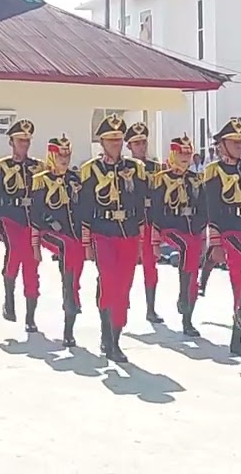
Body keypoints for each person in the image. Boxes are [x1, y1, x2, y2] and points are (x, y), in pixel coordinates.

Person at [74, 114, 142, 363]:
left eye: (118, 139)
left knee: (124, 288)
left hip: (129, 233)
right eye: (111, 140)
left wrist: (145, 238)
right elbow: (84, 209)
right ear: (101, 142)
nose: (115, 144)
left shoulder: (135, 168)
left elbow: (142, 204)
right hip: (103, 232)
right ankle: (108, 339)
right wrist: (86, 244)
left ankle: (116, 335)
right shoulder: (91, 169)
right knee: (109, 281)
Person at [199, 118, 241, 358]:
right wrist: (215, 242)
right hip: (229, 230)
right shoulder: (213, 170)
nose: (240, 145)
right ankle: (238, 332)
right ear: (222, 145)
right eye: (234, 141)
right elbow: (211, 208)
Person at [150, 134, 207, 338]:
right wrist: (155, 240)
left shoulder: (196, 178)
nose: (185, 157)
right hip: (170, 226)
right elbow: (155, 210)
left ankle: (187, 317)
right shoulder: (161, 178)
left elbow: (203, 208)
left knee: (193, 272)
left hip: (192, 229)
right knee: (185, 248)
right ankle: (183, 292)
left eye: (188, 154)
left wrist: (203, 235)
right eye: (181, 153)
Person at [0, 119, 43, 327]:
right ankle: (9, 300)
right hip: (10, 217)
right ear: (11, 142)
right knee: (15, 253)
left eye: (27, 141)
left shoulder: (38, 166)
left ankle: (30, 317)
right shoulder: (1, 166)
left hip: (32, 219)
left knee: (32, 263)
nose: (24, 145)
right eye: (20, 141)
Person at [32, 135, 83, 344]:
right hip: (49, 232)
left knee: (75, 267)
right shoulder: (41, 179)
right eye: (60, 156)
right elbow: (36, 213)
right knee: (68, 253)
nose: (64, 160)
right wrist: (48, 224)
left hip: (73, 235)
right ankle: (70, 293)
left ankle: (70, 324)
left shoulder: (75, 178)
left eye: (67, 156)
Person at [125, 122, 165, 325]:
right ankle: (121, 299)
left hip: (150, 221)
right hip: (130, 222)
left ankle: (151, 308)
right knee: (126, 265)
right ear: (129, 146)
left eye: (143, 142)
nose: (141, 147)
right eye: (137, 143)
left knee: (151, 266)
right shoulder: (125, 167)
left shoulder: (155, 168)